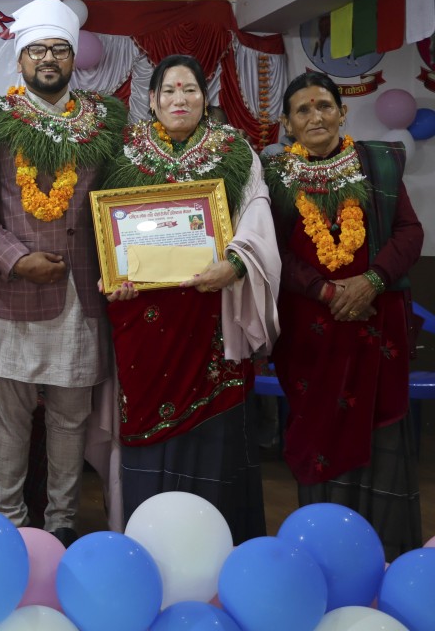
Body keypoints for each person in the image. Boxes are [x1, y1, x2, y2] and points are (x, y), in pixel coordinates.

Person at [101, 54, 279, 542]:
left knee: (215, 438)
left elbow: (257, 214)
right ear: (152, 99)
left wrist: (236, 263)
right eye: (169, 90)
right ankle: (145, 542)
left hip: (212, 314)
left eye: (190, 89)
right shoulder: (122, 153)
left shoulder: (235, 151)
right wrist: (112, 276)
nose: (179, 99)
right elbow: (103, 229)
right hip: (144, 325)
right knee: (144, 429)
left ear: (205, 97)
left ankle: (216, 545)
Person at [0, 0, 126, 545]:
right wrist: (17, 259)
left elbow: (120, 202)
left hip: (83, 293)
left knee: (69, 419)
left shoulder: (104, 122)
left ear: (73, 58)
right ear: (20, 60)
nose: (48, 58)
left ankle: (61, 524)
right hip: (14, 291)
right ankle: (6, 523)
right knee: (10, 419)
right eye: (36, 49)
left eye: (59, 49)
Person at [263, 71, 423, 558]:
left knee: (383, 439)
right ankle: (324, 555)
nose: (316, 116)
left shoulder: (377, 165)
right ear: (287, 123)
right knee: (320, 439)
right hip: (312, 338)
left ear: (342, 112)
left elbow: (409, 232)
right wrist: (327, 290)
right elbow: (272, 249)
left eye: (324, 106)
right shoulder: (275, 177)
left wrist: (372, 279)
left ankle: (387, 557)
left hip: (377, 328)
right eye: (303, 110)